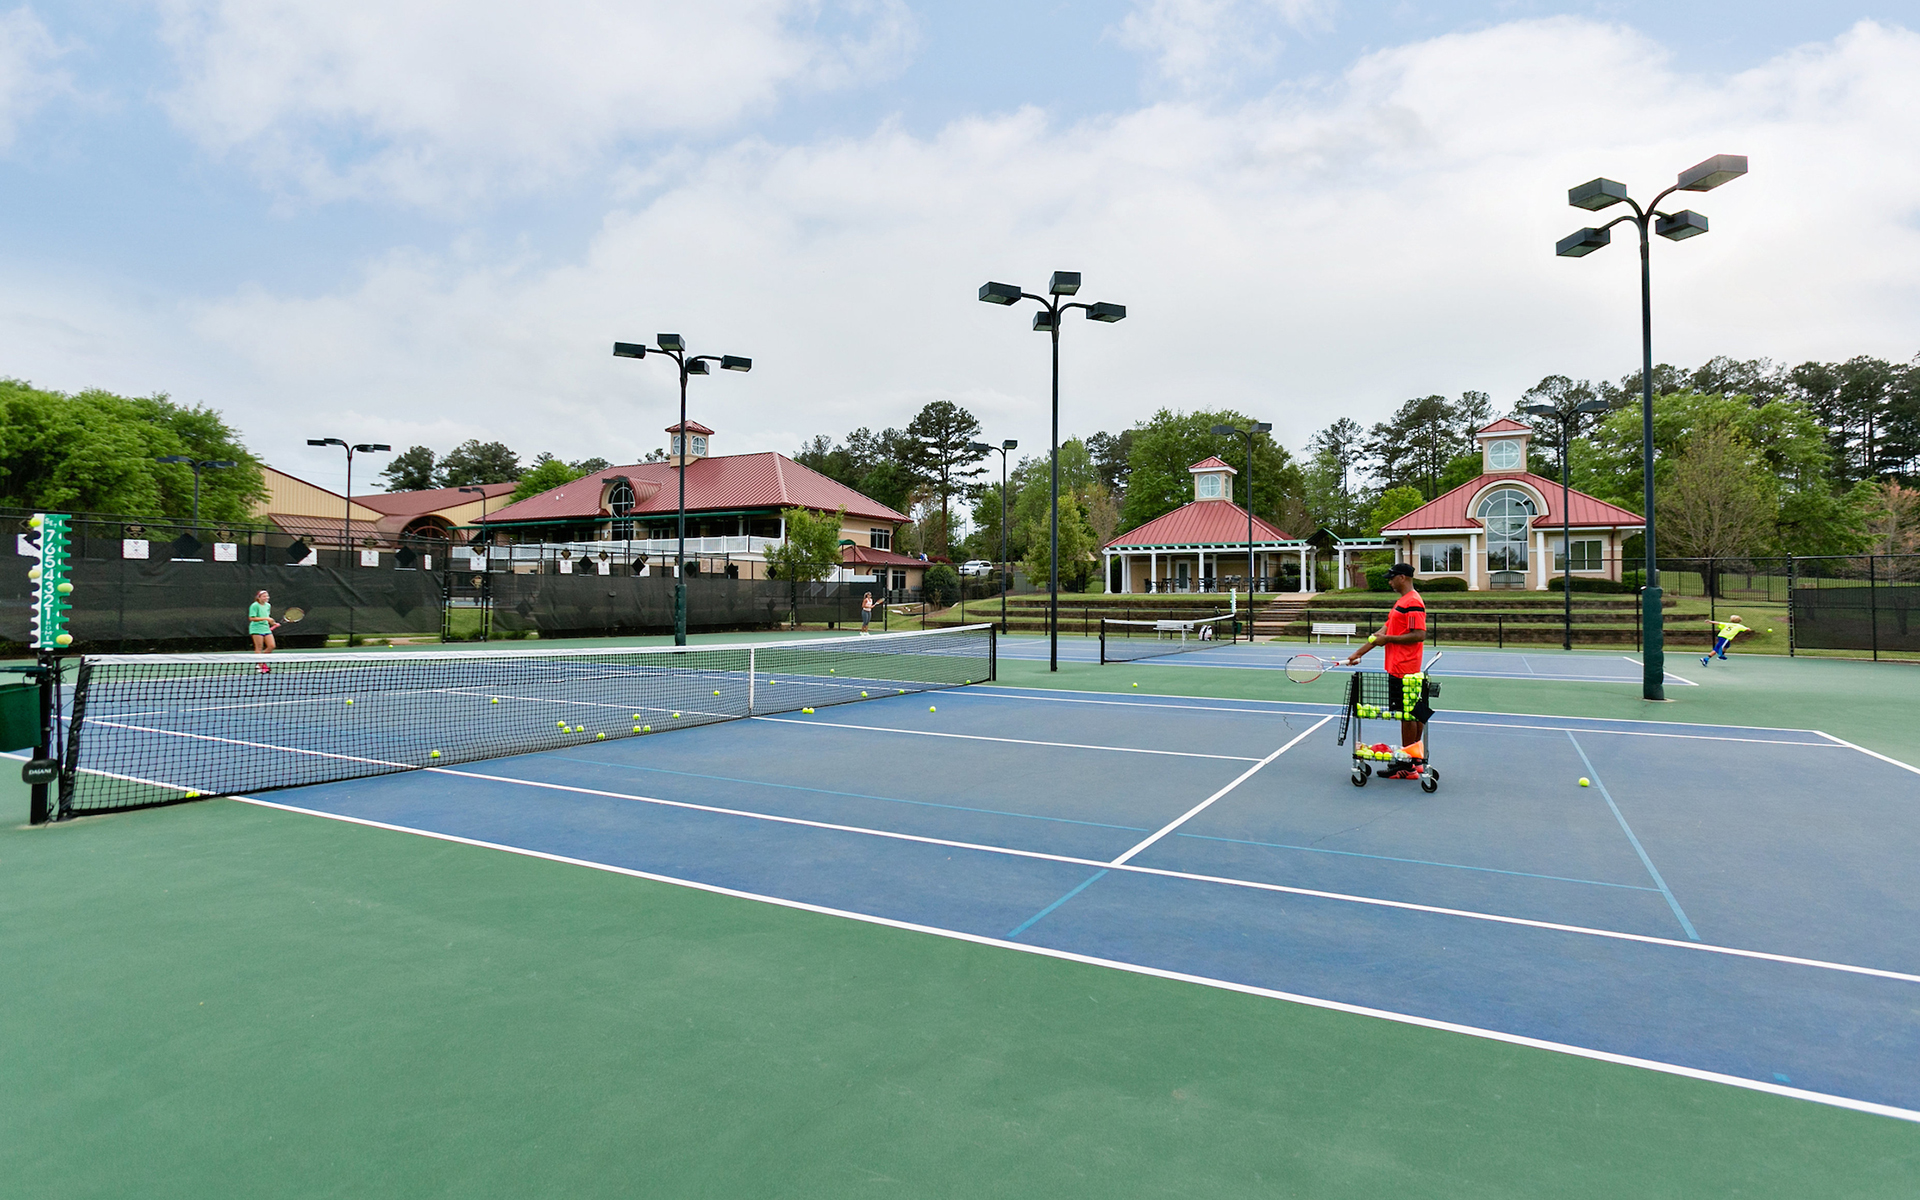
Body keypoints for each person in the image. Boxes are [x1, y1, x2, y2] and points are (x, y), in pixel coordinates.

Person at [1342, 563, 1431, 777]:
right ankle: (1415, 758)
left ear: (1402, 577)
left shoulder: (1413, 602)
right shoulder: (1401, 603)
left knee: (1407, 715)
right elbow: (1381, 633)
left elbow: (1419, 634)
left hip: (1405, 668)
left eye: (1391, 578)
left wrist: (1387, 639)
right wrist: (1358, 653)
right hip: (1398, 667)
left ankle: (1407, 765)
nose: (1389, 582)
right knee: (1412, 713)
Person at [249, 589, 280, 672]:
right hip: (256, 628)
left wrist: (273, 623)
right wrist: (266, 618)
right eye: (264, 596)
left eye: (267, 596)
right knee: (259, 647)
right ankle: (260, 665)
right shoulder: (254, 606)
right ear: (259, 597)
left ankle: (261, 661)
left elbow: (267, 617)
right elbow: (252, 618)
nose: (266, 597)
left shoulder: (268, 605)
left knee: (271, 646)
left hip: (265, 627)